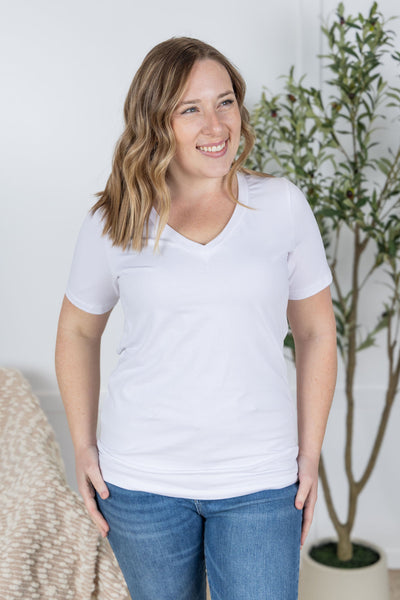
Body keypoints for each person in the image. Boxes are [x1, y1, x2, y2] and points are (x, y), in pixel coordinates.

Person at [55, 37, 337, 600]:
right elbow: (78, 331)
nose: (216, 125)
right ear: (155, 120)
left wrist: (308, 454)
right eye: (191, 109)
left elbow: (315, 331)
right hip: (141, 484)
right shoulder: (115, 219)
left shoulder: (281, 205)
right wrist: (83, 446)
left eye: (225, 101)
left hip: (260, 480)